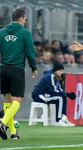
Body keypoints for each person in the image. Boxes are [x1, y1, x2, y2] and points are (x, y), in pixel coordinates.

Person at [0, 8, 37, 140]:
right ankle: (2, 123)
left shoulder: (1, 32)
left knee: (7, 100)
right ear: (21, 19)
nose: (25, 22)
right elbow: (30, 52)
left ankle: (13, 132)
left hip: (3, 69)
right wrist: (33, 67)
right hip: (16, 69)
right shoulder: (24, 33)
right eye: (25, 20)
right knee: (17, 102)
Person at [32, 61, 76, 127]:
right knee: (59, 98)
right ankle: (58, 120)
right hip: (39, 95)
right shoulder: (49, 76)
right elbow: (53, 91)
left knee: (63, 96)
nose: (61, 72)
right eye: (60, 71)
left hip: (46, 94)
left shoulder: (55, 77)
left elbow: (59, 89)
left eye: (62, 71)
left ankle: (64, 118)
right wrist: (67, 94)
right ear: (56, 70)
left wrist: (67, 94)